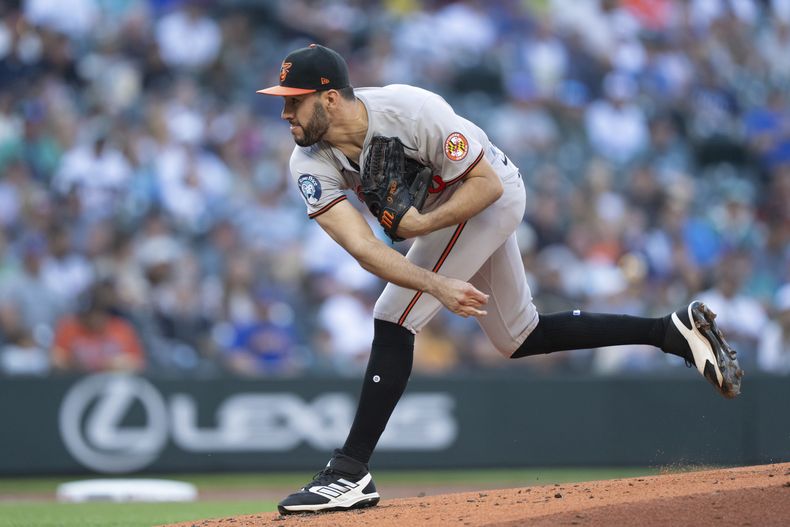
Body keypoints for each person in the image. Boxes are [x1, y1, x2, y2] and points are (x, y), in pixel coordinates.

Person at [257, 44, 742, 515]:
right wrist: (434, 280)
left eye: (293, 101)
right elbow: (363, 248)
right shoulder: (309, 161)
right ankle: (669, 331)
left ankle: (349, 471)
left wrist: (420, 234)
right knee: (518, 336)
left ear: (331, 98)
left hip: (490, 194)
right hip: (447, 210)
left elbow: (485, 185)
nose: (285, 114)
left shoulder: (410, 111)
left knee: (392, 317)